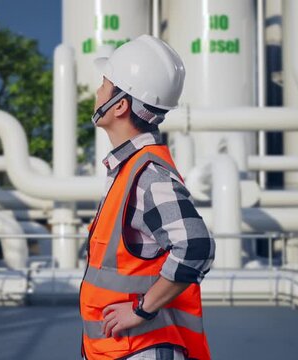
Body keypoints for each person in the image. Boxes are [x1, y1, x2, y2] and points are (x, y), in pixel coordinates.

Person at [79, 35, 215, 360]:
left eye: (104, 84)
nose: (97, 92)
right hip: (118, 349)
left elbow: (196, 246)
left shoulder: (147, 174)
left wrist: (141, 311)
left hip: (139, 349)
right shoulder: (130, 170)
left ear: (120, 105)